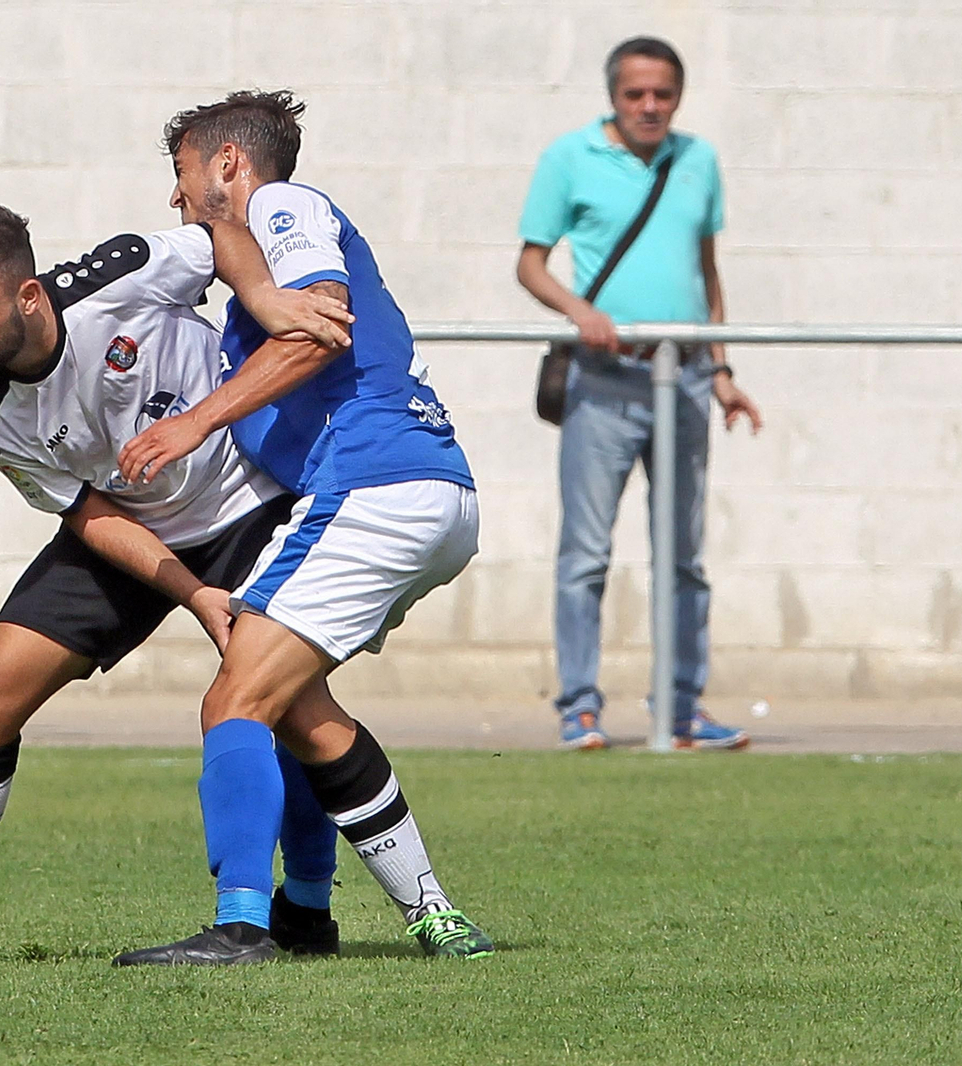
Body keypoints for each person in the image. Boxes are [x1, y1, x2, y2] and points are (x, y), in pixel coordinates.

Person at [0, 205, 355, 964]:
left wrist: (264, 301)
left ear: (29, 296)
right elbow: (89, 513)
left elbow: (228, 237)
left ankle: (322, 908)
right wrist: (192, 593)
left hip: (247, 503)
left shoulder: (125, 272)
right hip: (125, 530)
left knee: (287, 704)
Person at [111, 90, 494, 965]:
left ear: (229, 164)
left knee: (235, 696)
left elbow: (319, 323)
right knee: (288, 704)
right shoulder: (245, 281)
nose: (175, 197)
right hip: (426, 490)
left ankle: (242, 925)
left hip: (380, 483)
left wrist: (192, 423)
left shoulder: (287, 203)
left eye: (181, 174)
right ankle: (351, 915)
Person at [514, 37, 763, 751]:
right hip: (604, 380)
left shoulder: (699, 161)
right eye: (635, 95)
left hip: (682, 377)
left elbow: (705, 275)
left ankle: (681, 709)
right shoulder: (569, 158)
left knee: (682, 555)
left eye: (663, 94)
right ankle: (580, 709)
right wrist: (580, 314)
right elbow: (530, 265)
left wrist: (721, 371)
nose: (649, 107)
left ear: (677, 96)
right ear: (614, 97)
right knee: (586, 552)